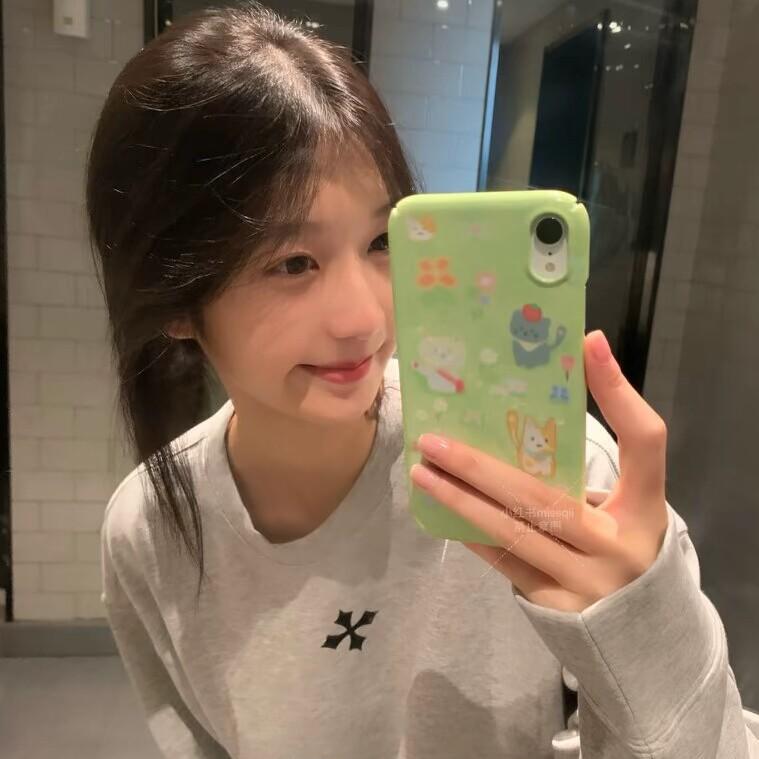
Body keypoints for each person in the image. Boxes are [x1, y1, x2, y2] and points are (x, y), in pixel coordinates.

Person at [88, 4, 758, 758]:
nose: (365, 319)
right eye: (292, 262)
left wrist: (645, 625)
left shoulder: (554, 472)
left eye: (382, 241)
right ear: (174, 300)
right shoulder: (147, 532)